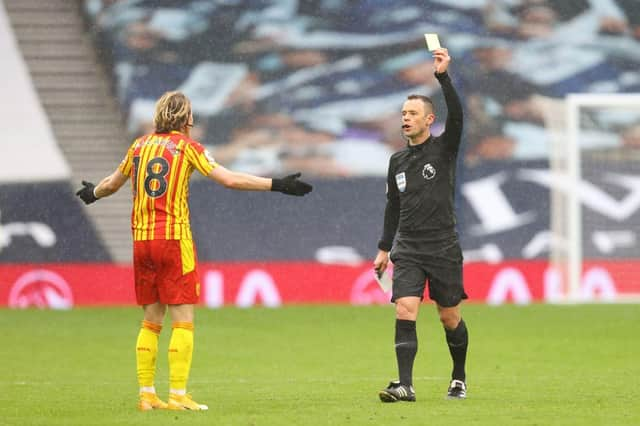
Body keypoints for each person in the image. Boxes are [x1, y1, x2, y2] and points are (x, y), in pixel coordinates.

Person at [75, 91, 312, 411]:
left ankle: (146, 394)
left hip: (142, 241)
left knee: (151, 320)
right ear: (187, 119)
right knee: (183, 319)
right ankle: (177, 394)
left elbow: (112, 184)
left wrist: (92, 192)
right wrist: (277, 184)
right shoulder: (188, 148)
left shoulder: (139, 146)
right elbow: (229, 179)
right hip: (173, 240)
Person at [373, 47, 469, 402]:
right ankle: (405, 385)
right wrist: (384, 248)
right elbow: (392, 207)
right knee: (405, 308)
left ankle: (458, 377)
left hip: (443, 246)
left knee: (449, 317)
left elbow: (457, 115)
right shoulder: (396, 161)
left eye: (413, 113)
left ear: (429, 120)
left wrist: (442, 76)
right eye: (403, 113)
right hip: (409, 248)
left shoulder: (444, 149)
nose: (405, 118)